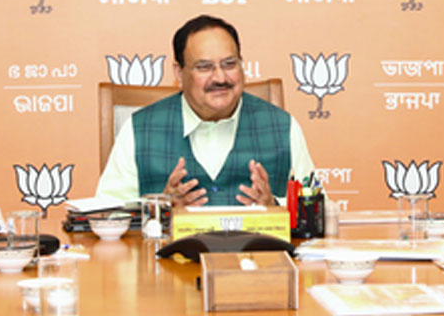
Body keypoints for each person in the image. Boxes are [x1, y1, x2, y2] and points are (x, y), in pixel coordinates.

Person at [96, 15, 314, 207]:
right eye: (204, 67)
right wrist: (158, 209)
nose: (219, 78)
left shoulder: (282, 126)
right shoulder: (139, 129)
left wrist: (276, 207)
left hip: (259, 244)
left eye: (229, 64)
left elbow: (316, 207)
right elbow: (107, 213)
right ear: (179, 73)